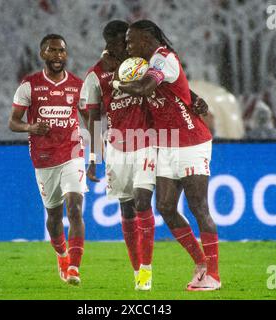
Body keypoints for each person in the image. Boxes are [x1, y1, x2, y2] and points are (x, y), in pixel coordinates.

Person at [112, 20, 221, 291]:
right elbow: (175, 87)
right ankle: (201, 263)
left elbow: (145, 88)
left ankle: (214, 277)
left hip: (192, 142)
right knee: (166, 207)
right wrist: (192, 95)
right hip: (167, 143)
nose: (127, 47)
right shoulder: (149, 63)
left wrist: (117, 83)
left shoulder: (163, 59)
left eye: (130, 41)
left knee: (199, 208)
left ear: (146, 40)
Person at [82, 20, 157, 291]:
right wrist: (93, 157)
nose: (127, 47)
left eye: (128, 42)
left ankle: (146, 273)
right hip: (116, 148)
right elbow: (93, 119)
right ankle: (137, 271)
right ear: (109, 44)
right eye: (122, 43)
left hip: (146, 142)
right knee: (126, 208)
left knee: (143, 201)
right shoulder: (95, 76)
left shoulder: (141, 65)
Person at [8, 34, 87, 286]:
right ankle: (62, 255)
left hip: (73, 153)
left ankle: (74, 267)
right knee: (53, 216)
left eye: (61, 51)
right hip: (44, 159)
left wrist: (96, 152)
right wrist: (31, 127)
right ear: (43, 54)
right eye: (52, 51)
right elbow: (13, 122)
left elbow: (91, 117)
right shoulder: (29, 85)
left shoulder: (77, 85)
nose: (57, 55)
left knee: (75, 208)